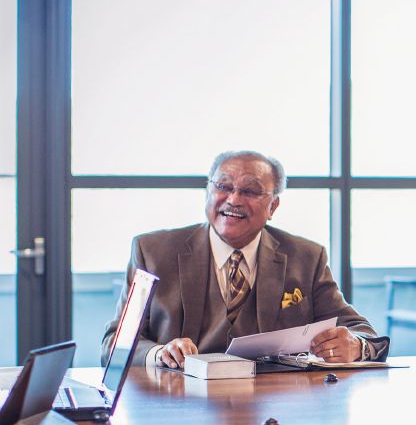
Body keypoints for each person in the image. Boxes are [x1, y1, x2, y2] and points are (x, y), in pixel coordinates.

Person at [103, 151, 389, 368]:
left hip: (271, 409)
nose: (234, 199)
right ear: (208, 192)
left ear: (273, 205)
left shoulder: (306, 257)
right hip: (177, 404)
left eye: (250, 191)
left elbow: (363, 332)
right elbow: (114, 345)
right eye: (223, 187)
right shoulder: (152, 252)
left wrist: (356, 346)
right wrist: (159, 354)